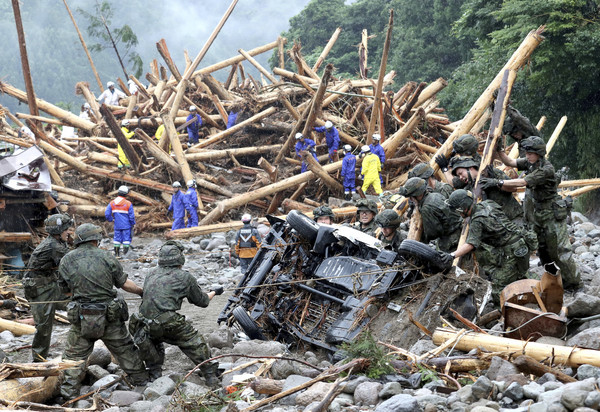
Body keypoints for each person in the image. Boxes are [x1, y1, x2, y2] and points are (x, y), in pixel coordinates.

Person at [58, 223, 148, 399]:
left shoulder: (66, 260)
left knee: (73, 356)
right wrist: (141, 291)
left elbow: (65, 290)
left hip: (82, 318)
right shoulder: (107, 256)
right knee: (125, 349)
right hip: (109, 317)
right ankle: (142, 382)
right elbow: (123, 283)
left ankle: (68, 395)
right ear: (96, 239)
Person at [492, 136, 581, 289]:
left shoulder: (546, 169)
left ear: (539, 153)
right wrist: (499, 150)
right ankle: (553, 277)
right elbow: (510, 162)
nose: (527, 156)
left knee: (560, 250)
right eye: (526, 153)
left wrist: (498, 182)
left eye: (530, 153)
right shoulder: (531, 163)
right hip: (537, 212)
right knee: (542, 249)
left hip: (552, 213)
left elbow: (522, 182)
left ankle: (574, 283)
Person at [129, 241, 223, 384]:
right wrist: (215, 292)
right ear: (180, 259)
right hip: (167, 322)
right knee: (194, 341)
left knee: (153, 341)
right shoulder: (185, 277)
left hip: (144, 322)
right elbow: (202, 302)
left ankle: (154, 374)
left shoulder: (150, 273)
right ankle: (210, 375)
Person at [443, 190, 532, 304]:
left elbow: (471, 244)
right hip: (520, 243)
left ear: (464, 208)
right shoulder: (488, 203)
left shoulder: (477, 220)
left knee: (497, 287)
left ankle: (506, 310)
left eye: (459, 210)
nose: (459, 214)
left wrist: (452, 255)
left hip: (513, 251)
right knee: (519, 273)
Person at [22, 214, 72, 362]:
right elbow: (72, 262)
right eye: (66, 229)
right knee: (44, 326)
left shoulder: (58, 242)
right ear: (59, 231)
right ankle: (38, 359)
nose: (69, 232)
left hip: (50, 284)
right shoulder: (53, 246)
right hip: (39, 288)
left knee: (75, 301)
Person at [450, 157, 523, 222]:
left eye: (461, 173)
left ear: (470, 168)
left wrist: (496, 183)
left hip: (514, 218)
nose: (460, 177)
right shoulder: (468, 190)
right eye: (458, 176)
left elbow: (514, 188)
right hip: (496, 227)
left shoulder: (492, 172)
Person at [402, 177, 462, 252]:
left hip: (452, 237)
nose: (410, 200)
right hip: (458, 227)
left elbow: (432, 234)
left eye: (411, 197)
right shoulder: (435, 195)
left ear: (415, 196)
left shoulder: (426, 208)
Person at [105, 185, 135, 257]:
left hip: (117, 225)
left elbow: (107, 213)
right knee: (126, 239)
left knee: (116, 239)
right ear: (126, 194)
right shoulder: (128, 203)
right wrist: (132, 223)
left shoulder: (112, 203)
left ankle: (117, 254)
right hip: (126, 225)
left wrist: (111, 219)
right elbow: (131, 216)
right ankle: (125, 254)